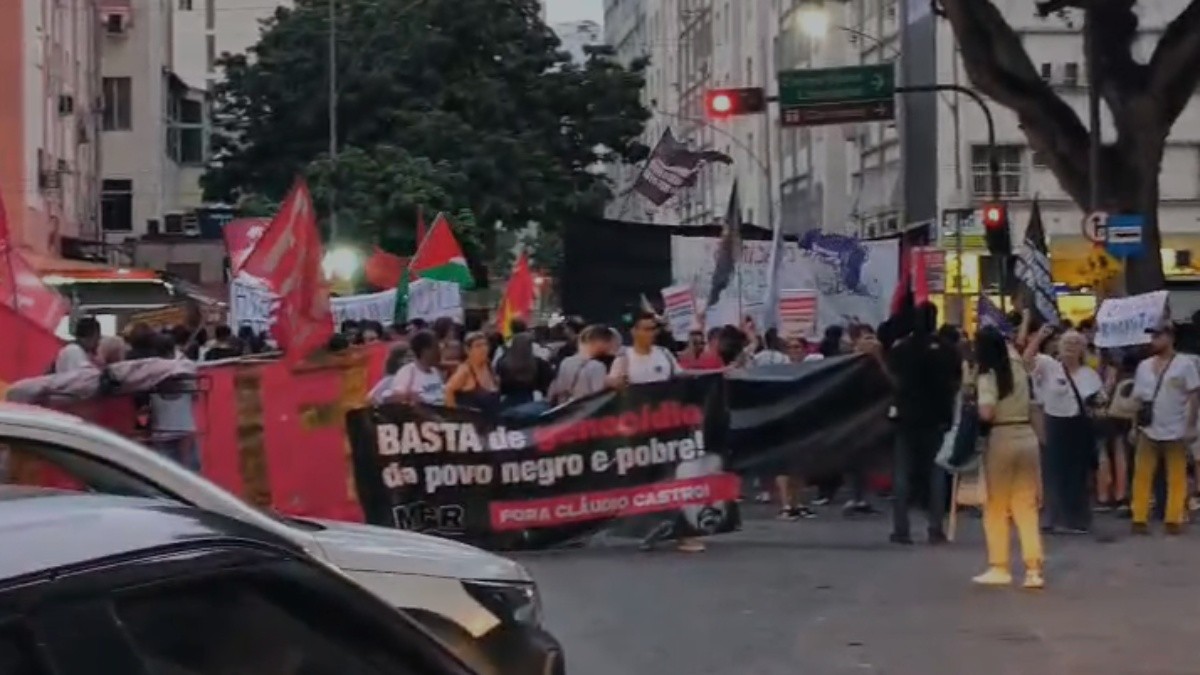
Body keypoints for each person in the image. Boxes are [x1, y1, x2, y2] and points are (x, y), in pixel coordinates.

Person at [609, 312, 706, 553]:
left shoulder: (664, 355)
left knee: (673, 479)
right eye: (645, 329)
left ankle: (683, 533)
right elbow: (610, 381)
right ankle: (647, 529)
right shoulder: (625, 357)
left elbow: (682, 377)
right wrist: (616, 382)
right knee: (642, 483)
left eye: (653, 329)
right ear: (634, 332)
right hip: (638, 434)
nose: (650, 333)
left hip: (667, 432)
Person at [973, 326, 1045, 589]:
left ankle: (999, 565)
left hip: (1001, 438)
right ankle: (1033, 569)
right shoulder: (1017, 365)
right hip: (1026, 435)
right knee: (1025, 505)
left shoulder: (987, 375)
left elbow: (987, 413)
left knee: (995, 506)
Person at [885, 302, 957, 545]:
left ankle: (901, 529)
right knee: (936, 473)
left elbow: (892, 379)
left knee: (902, 473)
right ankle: (935, 528)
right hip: (937, 418)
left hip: (906, 417)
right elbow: (955, 382)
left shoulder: (902, 348)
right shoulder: (947, 350)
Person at [1026, 327, 1104, 534]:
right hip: (1054, 423)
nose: (1070, 347)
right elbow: (1026, 360)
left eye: (1075, 344)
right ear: (1059, 346)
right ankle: (1055, 518)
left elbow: (1098, 402)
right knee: (1054, 473)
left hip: (1079, 427)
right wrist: (1039, 337)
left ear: (1082, 349)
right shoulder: (1049, 366)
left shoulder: (1090, 375)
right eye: (1066, 343)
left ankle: (1077, 519)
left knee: (1078, 474)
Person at [1130, 322, 1200, 535]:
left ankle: (1173, 518)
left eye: (1157, 336)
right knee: (1142, 474)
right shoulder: (1144, 366)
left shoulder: (1185, 364)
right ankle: (1139, 517)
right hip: (1148, 428)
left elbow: (1194, 394)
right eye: (1152, 337)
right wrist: (1134, 426)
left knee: (1176, 475)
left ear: (1170, 337)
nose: (1153, 341)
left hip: (1176, 427)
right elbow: (1138, 399)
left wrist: (1190, 426)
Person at [548, 325, 610, 405]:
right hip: (586, 411)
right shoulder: (597, 366)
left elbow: (559, 388)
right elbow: (598, 397)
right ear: (599, 342)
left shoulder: (566, 361)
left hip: (565, 409)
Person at [495, 333, 553, 417]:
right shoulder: (539, 363)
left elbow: (499, 384)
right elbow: (548, 384)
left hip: (507, 404)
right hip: (533, 404)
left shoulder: (502, 362)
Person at [445, 332, 501, 416]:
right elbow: (448, 390)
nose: (483, 348)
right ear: (468, 350)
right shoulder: (465, 371)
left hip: (493, 422)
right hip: (473, 424)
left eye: (485, 345)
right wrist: (454, 416)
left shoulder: (489, 366)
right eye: (478, 346)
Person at [386, 330, 445, 406]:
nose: (439, 352)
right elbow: (394, 398)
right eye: (436, 347)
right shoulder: (408, 372)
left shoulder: (436, 371)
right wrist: (408, 396)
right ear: (425, 351)